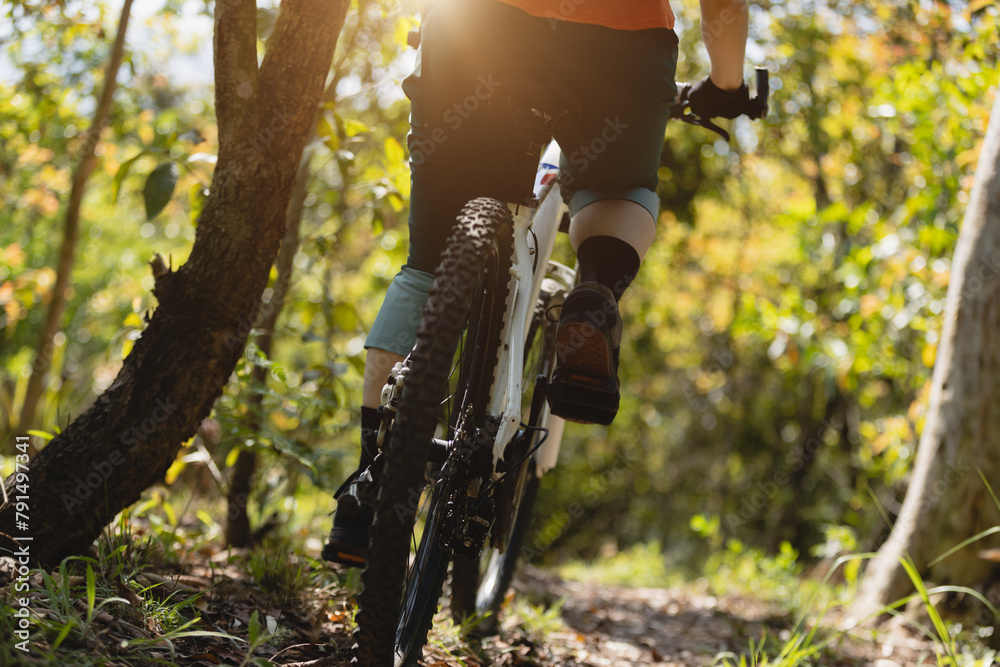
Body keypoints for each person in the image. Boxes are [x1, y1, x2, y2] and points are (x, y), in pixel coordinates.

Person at [323, 0, 752, 566]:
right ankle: (592, 295)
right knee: (618, 191)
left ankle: (371, 487)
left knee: (429, 266)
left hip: (477, 30)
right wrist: (725, 85)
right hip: (620, 45)